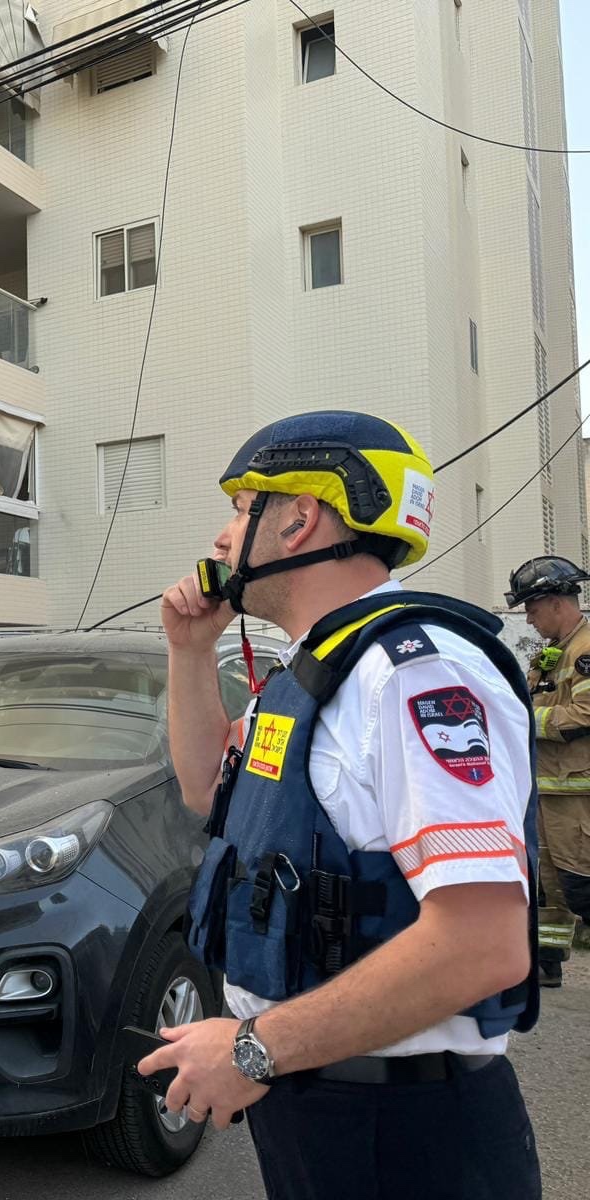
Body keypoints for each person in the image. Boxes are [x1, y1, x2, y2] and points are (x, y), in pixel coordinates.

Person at [145, 410, 540, 1198]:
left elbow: (484, 945)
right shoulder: (315, 674)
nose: (221, 539)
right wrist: (188, 653)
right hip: (317, 1102)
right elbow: (204, 791)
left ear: (300, 518)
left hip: (407, 1134)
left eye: (239, 508)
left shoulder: (413, 677)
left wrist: (251, 1048)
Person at [507, 555, 590, 985]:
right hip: (550, 794)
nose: (529, 618)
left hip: (578, 796)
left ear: (556, 602)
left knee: (582, 884)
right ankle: (547, 963)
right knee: (548, 889)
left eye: (532, 609)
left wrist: (529, 722)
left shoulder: (585, 650)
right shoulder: (556, 653)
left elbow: (584, 712)